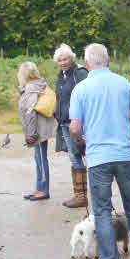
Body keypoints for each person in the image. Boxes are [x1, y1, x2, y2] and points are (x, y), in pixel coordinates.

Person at [69, 43, 130, 259]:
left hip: (98, 157)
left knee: (103, 210)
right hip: (124, 154)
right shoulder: (124, 84)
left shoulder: (81, 89)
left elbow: (74, 128)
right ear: (107, 61)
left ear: (87, 63)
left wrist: (83, 139)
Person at [53, 43, 89, 208]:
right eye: (59, 60)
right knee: (74, 156)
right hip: (65, 123)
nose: (63, 62)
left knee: (87, 154)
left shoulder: (80, 73)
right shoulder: (62, 75)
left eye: (65, 59)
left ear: (72, 58)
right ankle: (80, 196)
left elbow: (87, 96)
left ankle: (93, 194)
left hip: (79, 123)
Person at [18, 62, 58, 201]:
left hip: (38, 130)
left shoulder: (31, 88)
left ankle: (44, 190)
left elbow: (30, 112)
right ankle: (39, 187)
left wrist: (32, 134)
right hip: (40, 127)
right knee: (39, 158)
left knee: (41, 159)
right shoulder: (40, 84)